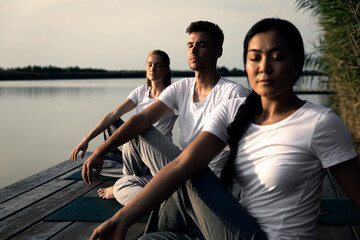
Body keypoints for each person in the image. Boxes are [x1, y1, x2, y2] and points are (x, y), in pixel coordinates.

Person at [89, 18, 360, 240]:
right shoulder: (229, 110)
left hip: (254, 230)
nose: (264, 66)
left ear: (298, 63)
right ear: (246, 63)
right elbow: (181, 162)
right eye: (255, 57)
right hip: (217, 217)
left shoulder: (319, 122)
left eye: (277, 57)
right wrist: (120, 218)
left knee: (187, 171)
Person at [80, 20, 250, 206]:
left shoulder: (234, 94)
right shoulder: (181, 88)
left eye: (201, 45)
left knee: (140, 131)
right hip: (179, 171)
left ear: (218, 52)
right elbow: (140, 119)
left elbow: (247, 153)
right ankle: (172, 203)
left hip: (208, 180)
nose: (193, 51)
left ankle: (174, 203)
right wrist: (99, 151)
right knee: (123, 183)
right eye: (190, 45)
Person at [70, 50, 178, 200]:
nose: (152, 69)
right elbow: (114, 114)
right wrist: (87, 138)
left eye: (158, 66)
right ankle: (132, 170)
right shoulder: (141, 91)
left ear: (166, 69)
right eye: (149, 65)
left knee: (135, 130)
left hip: (154, 151)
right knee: (110, 127)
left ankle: (128, 178)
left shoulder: (172, 94)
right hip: (134, 150)